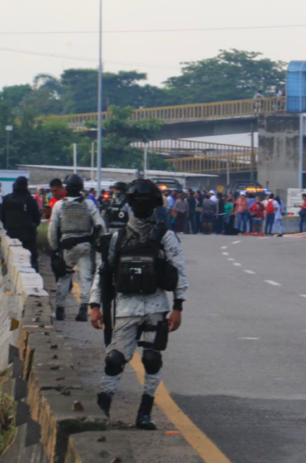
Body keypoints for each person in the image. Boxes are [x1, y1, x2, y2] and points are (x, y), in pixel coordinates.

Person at [89, 179, 188, 431]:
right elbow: (103, 273)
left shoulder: (165, 237)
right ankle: (102, 410)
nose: (141, 206)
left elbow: (179, 271)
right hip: (125, 308)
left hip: (155, 307)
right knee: (114, 359)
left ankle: (144, 413)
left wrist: (178, 306)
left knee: (152, 359)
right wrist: (94, 304)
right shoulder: (116, 238)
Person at [48, 174, 106, 322]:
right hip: (86, 246)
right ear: (81, 188)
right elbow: (100, 225)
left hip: (67, 247)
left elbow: (52, 229)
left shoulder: (59, 205)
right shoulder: (89, 204)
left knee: (64, 277)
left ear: (66, 187)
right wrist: (99, 243)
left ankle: (60, 309)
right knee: (85, 278)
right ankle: (82, 309)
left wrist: (55, 249)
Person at [1, 177, 41, 271]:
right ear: (26, 186)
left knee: (7, 259)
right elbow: (37, 218)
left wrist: (9, 228)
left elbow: (2, 217)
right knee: (32, 260)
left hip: (12, 235)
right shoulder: (30, 200)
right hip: (28, 237)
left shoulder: (7, 199)